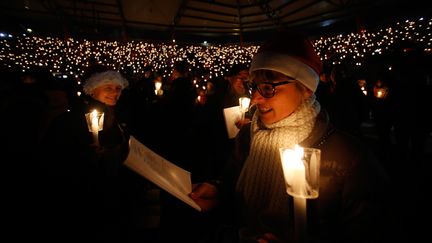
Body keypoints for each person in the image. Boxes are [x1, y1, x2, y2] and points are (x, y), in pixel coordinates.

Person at [190, 31, 395, 243]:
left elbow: (372, 231)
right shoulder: (248, 136)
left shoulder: (350, 158)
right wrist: (218, 190)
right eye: (254, 86)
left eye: (269, 88)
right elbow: (232, 180)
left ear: (305, 88)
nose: (255, 99)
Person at [36, 68, 148, 242]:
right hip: (83, 194)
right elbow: (58, 155)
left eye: (118, 88)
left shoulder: (114, 115)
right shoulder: (75, 117)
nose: (115, 93)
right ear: (93, 90)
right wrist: (88, 155)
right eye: (108, 88)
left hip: (109, 187)